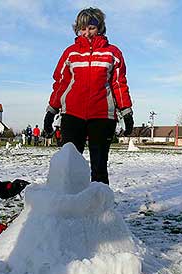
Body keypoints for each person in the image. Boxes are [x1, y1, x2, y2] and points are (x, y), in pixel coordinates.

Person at [43, 7, 134, 184]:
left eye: (91, 28)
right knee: (69, 165)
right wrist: (51, 111)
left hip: (102, 116)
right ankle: (69, 205)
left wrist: (127, 112)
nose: (87, 33)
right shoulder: (71, 53)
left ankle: (100, 208)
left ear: (99, 28)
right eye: (82, 28)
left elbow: (118, 84)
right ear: (77, 29)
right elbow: (61, 83)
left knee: (99, 166)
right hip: (72, 114)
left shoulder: (112, 53)